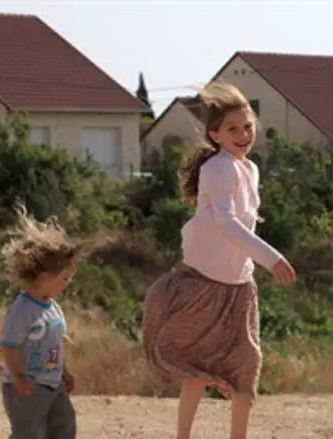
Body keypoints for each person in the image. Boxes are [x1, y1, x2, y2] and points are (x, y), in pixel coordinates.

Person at [141, 80, 296, 439]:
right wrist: (271, 259)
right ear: (215, 135)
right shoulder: (218, 168)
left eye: (248, 127)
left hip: (239, 287)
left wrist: (257, 263)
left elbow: (245, 222)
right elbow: (227, 224)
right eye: (233, 129)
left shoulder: (251, 169)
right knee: (195, 368)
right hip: (203, 284)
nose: (243, 134)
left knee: (247, 366)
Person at [0, 205, 85, 439]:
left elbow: (56, 344)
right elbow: (7, 347)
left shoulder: (54, 309)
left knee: (64, 426)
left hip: (53, 384)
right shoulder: (23, 309)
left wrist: (64, 372)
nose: (67, 283)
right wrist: (18, 379)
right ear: (45, 276)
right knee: (29, 433)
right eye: (64, 277)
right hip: (28, 386)